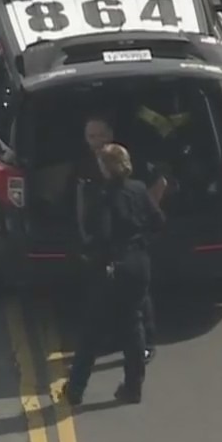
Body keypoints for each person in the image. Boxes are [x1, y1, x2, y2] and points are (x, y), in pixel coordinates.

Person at [63, 142, 161, 405]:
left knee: (92, 330)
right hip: (139, 264)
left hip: (112, 267)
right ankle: (133, 387)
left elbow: (101, 235)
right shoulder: (139, 189)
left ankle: (75, 388)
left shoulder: (102, 197)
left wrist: (88, 254)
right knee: (133, 325)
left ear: (106, 169)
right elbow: (158, 221)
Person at [74, 116, 157, 361]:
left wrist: (143, 218)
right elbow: (79, 200)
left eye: (100, 135)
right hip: (102, 243)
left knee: (138, 301)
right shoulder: (84, 166)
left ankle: (145, 343)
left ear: (111, 133)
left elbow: (155, 185)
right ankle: (112, 340)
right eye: (91, 136)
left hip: (128, 247)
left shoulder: (122, 160)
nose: (96, 141)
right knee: (105, 298)